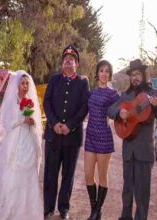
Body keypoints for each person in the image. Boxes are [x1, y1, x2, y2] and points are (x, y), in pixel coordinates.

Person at [107, 59, 157, 220]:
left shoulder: (153, 94)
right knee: (127, 189)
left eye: (138, 74)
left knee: (143, 191)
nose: (135, 78)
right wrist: (120, 113)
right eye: (132, 75)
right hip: (128, 150)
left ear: (143, 75)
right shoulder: (125, 96)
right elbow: (110, 109)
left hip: (144, 151)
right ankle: (125, 217)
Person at [0, 70, 43, 220]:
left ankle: (26, 206)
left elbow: (35, 119)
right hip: (15, 139)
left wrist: (32, 121)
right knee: (12, 170)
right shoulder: (12, 101)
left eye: (27, 84)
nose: (25, 86)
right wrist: (21, 121)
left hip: (27, 138)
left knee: (28, 171)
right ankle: (9, 206)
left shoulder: (30, 100)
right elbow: (5, 122)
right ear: (17, 85)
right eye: (23, 83)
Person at [43, 45, 89, 219]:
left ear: (76, 63)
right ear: (62, 63)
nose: (68, 62)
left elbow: (84, 107)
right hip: (53, 135)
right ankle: (48, 208)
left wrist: (70, 125)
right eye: (65, 59)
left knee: (68, 176)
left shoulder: (83, 82)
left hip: (72, 136)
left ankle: (64, 208)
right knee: (50, 174)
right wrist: (54, 124)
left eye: (71, 59)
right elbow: (47, 102)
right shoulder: (54, 80)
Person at [84, 60, 119, 220]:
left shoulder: (113, 95)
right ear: (97, 73)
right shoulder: (91, 93)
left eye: (107, 71)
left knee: (102, 177)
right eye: (101, 70)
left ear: (109, 75)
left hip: (104, 137)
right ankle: (96, 211)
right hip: (90, 136)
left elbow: (119, 112)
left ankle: (95, 213)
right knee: (88, 175)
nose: (104, 74)